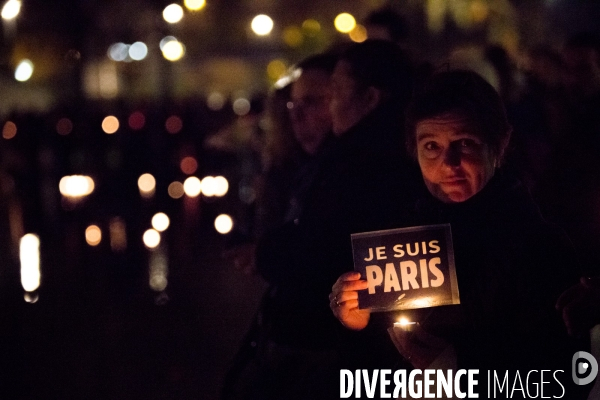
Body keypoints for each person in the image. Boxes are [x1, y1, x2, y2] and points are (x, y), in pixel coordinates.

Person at [330, 70, 588, 397]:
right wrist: (356, 322)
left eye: (465, 143)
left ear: (501, 144)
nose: (449, 164)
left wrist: (454, 371)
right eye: (431, 146)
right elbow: (369, 376)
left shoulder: (539, 246)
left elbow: (560, 379)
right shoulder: (396, 242)